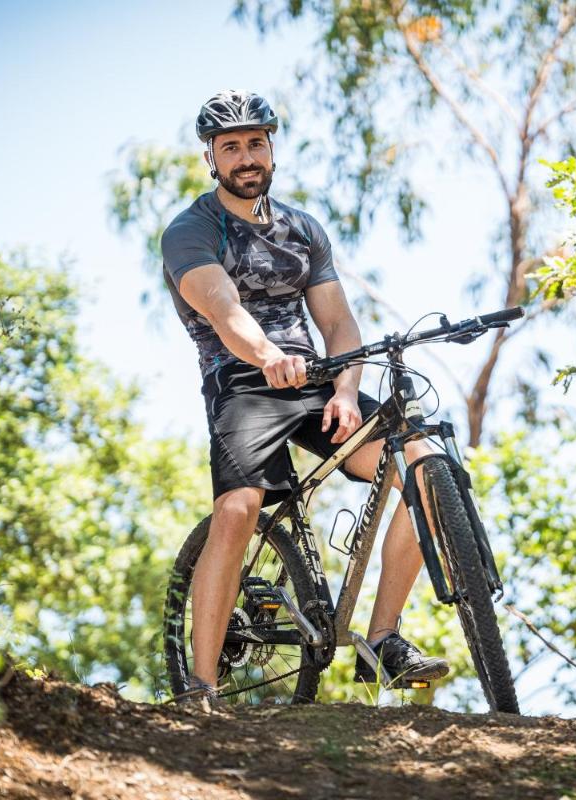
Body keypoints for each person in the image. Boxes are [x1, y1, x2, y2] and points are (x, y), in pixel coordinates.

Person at [160, 89, 450, 703]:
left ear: (272, 149)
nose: (246, 157)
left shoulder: (302, 229)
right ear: (211, 158)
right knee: (238, 510)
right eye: (231, 147)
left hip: (316, 380)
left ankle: (384, 641)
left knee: (423, 465)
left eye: (255, 144)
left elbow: (339, 323)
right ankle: (201, 687)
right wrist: (269, 356)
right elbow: (224, 309)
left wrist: (346, 388)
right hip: (243, 381)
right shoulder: (191, 230)